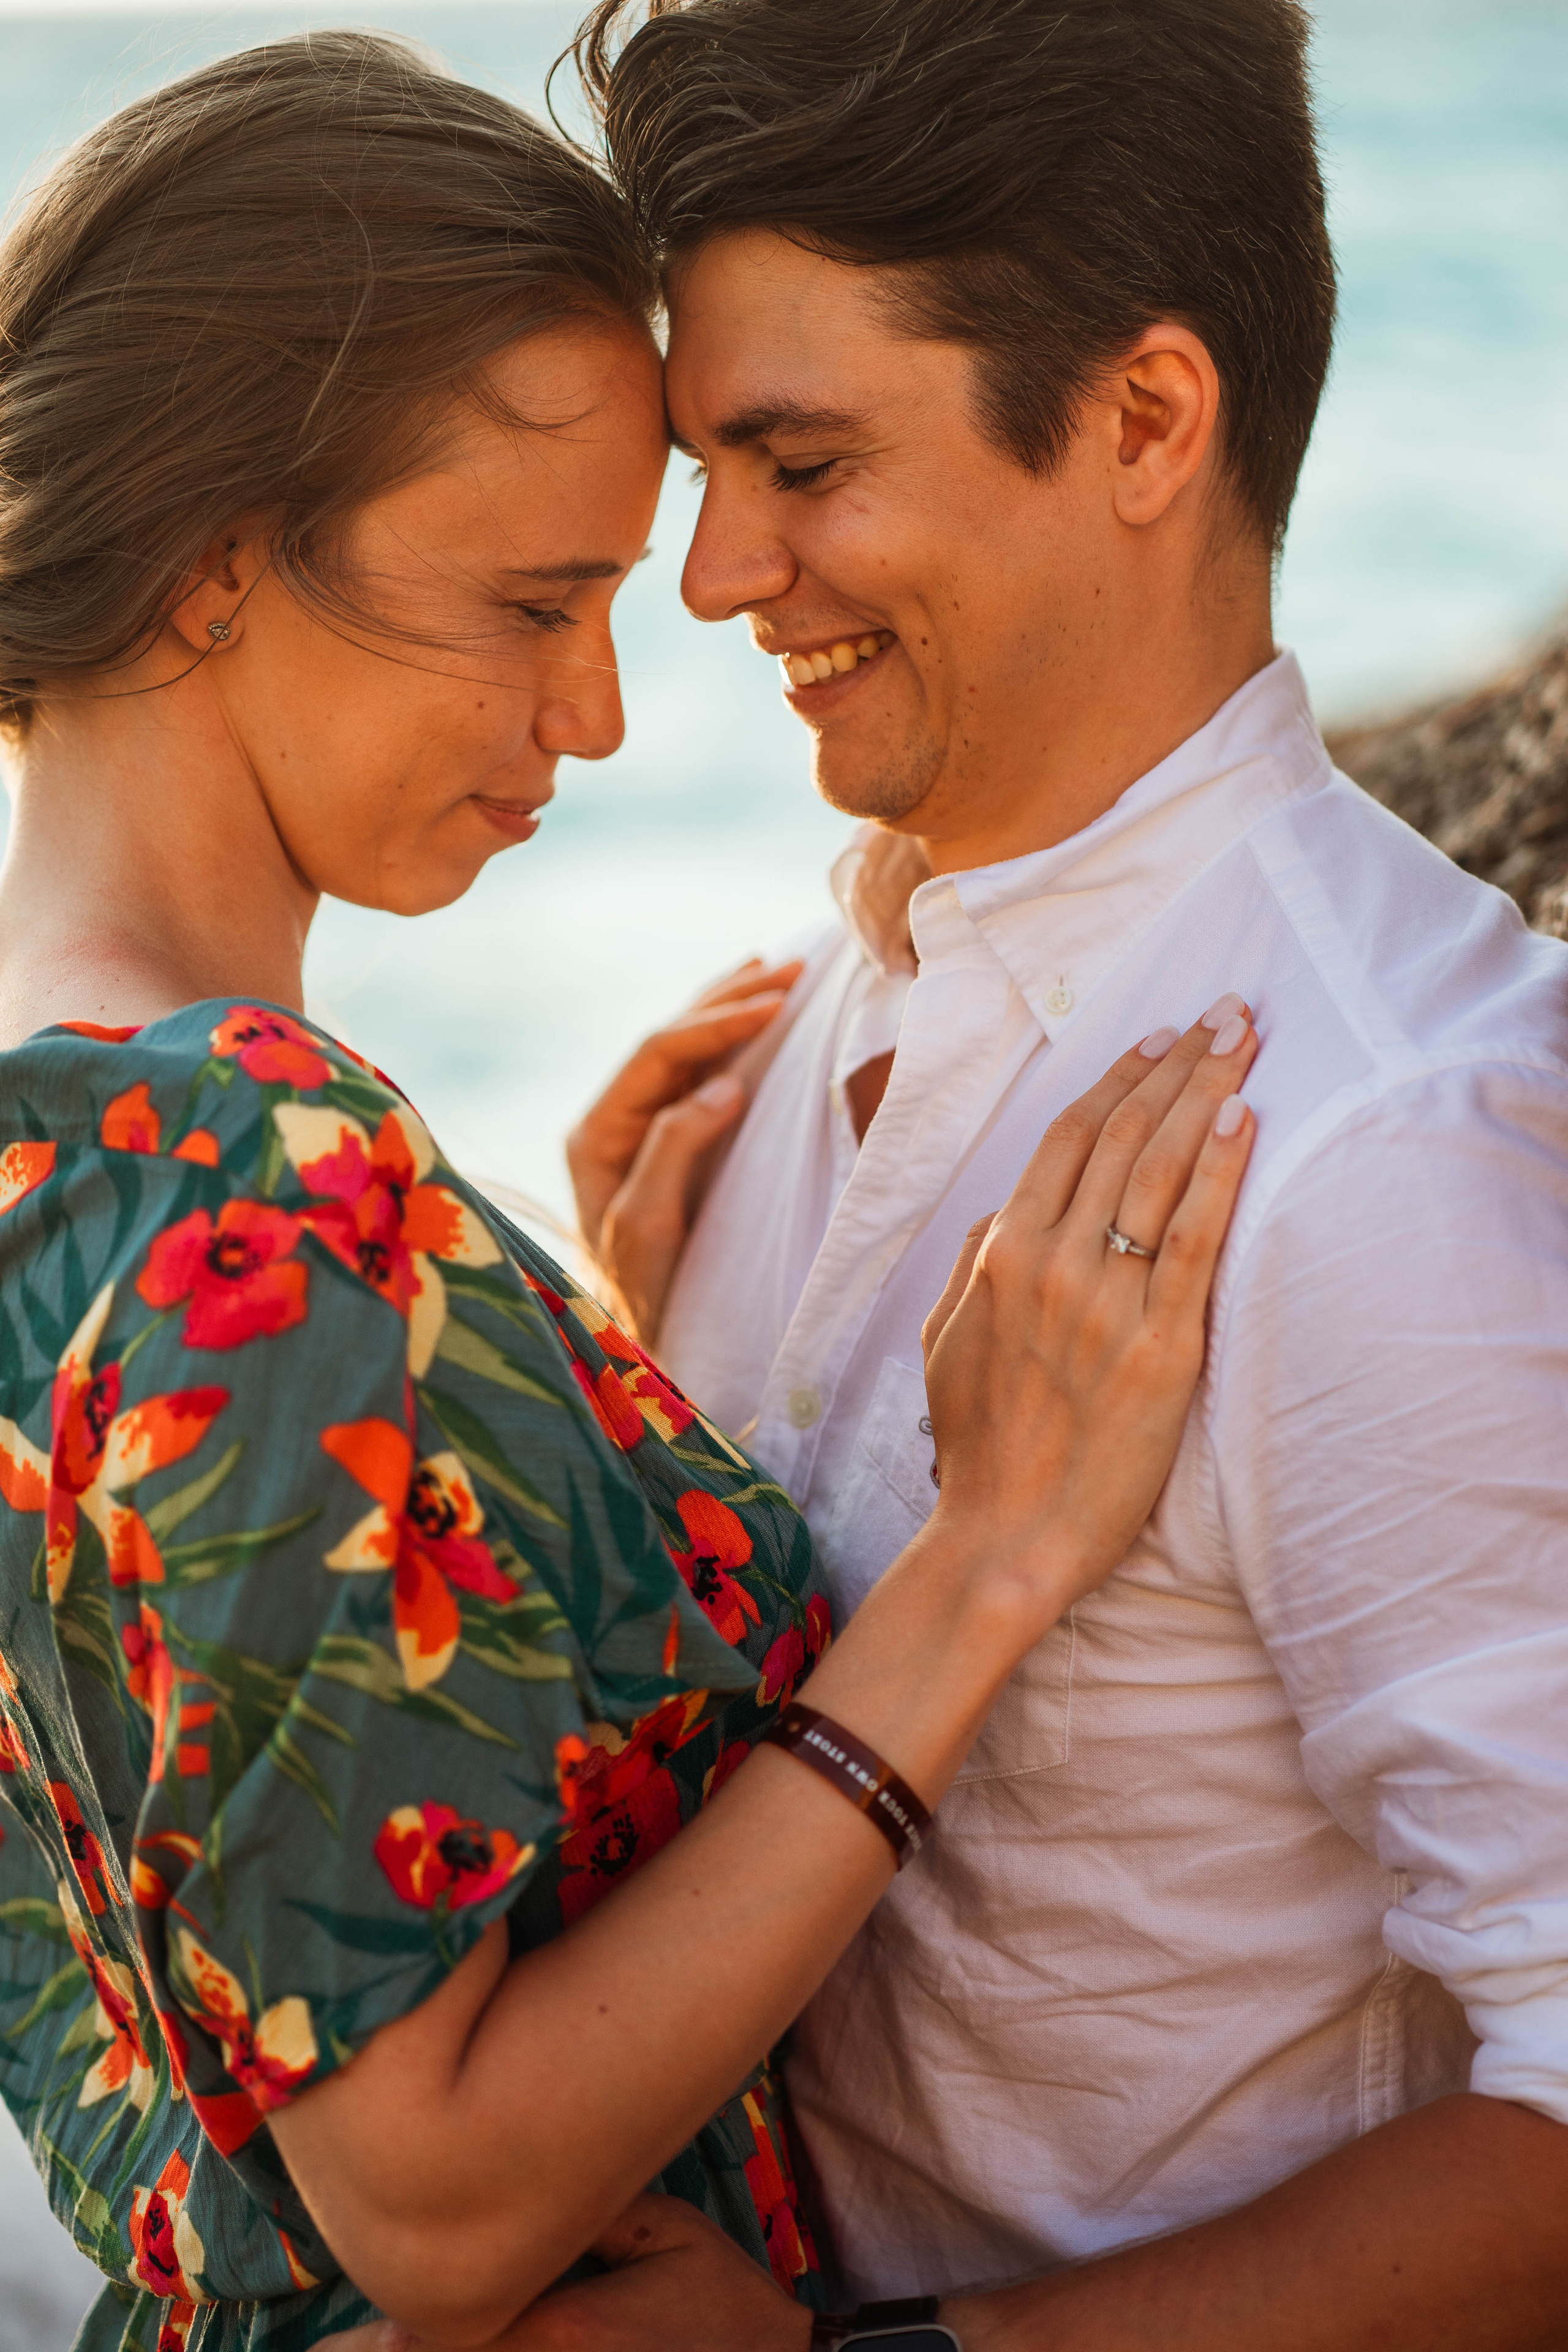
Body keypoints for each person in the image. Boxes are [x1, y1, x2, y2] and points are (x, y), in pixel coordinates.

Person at [0, 31, 1257, 2352]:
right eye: (526, 605)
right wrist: (985, 1567)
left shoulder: (68, 1139)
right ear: (205, 572)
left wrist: (573, 1377)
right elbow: (444, 2207)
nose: (597, 712)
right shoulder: (249, 1168)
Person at [564, 0, 1568, 2344]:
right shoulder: (827, 998)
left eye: (800, 464)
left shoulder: (1373, 1149)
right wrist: (638, 1400)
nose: (715, 577)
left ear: (1142, 420)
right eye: (712, 465)